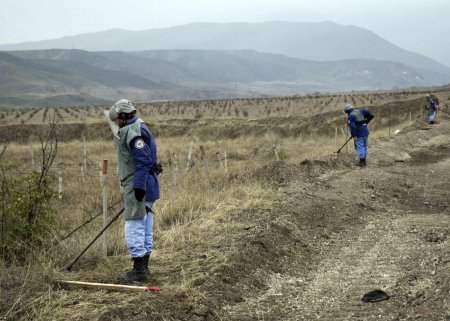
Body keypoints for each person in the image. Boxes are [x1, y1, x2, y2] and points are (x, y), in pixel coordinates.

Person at [108, 99, 161, 282]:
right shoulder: (140, 126)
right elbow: (149, 158)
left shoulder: (132, 132)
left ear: (123, 117)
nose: (115, 122)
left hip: (139, 185)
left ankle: (139, 271)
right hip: (147, 183)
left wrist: (138, 187)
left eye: (116, 118)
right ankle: (143, 269)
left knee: (134, 225)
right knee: (145, 225)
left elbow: (143, 160)